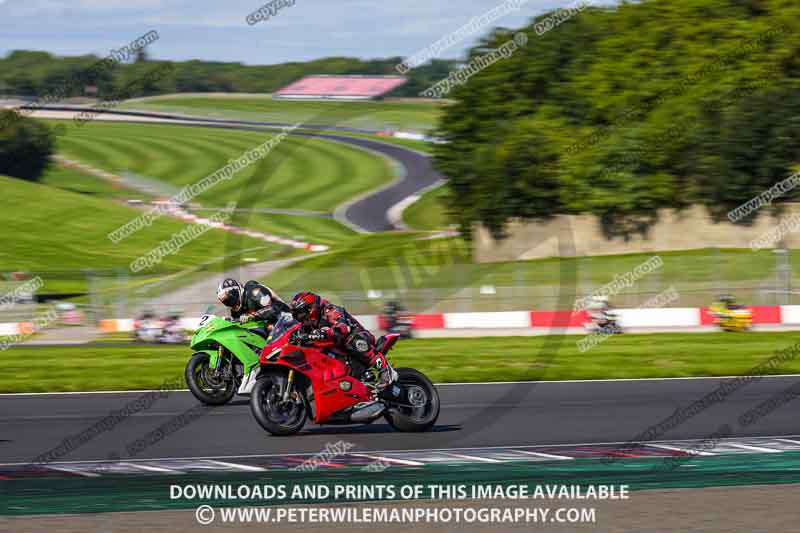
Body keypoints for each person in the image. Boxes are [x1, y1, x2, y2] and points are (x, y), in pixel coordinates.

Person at [289, 291, 397, 389]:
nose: (299, 316)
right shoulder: (307, 322)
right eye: (296, 314)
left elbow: (342, 328)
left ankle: (385, 370)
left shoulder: (329, 310)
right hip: (335, 346)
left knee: (352, 340)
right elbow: (295, 333)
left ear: (310, 308)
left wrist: (323, 333)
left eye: (300, 312)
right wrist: (292, 337)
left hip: (358, 336)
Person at [217, 278, 290, 324]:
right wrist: (230, 320)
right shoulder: (236, 309)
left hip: (285, 319)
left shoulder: (254, 292)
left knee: (270, 327)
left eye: (228, 300)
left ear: (234, 293)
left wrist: (251, 316)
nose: (228, 303)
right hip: (265, 328)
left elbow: (273, 308)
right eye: (225, 302)